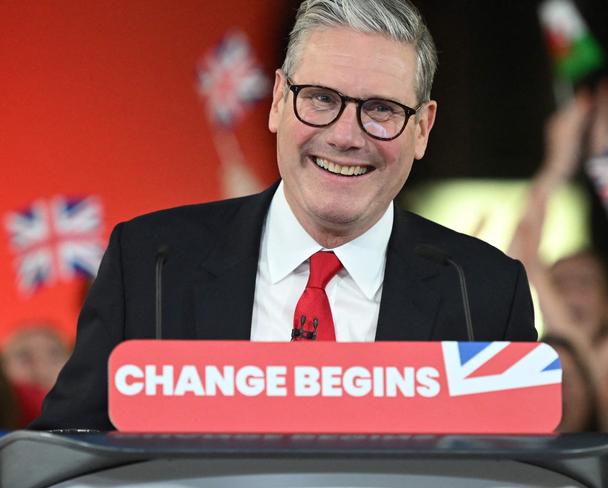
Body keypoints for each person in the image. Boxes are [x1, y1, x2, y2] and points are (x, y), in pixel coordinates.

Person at [31, 0, 536, 431]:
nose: (345, 136)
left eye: (381, 109)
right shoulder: (150, 265)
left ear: (422, 128)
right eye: (320, 99)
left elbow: (516, 475)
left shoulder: (486, 293)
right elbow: (63, 457)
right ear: (277, 101)